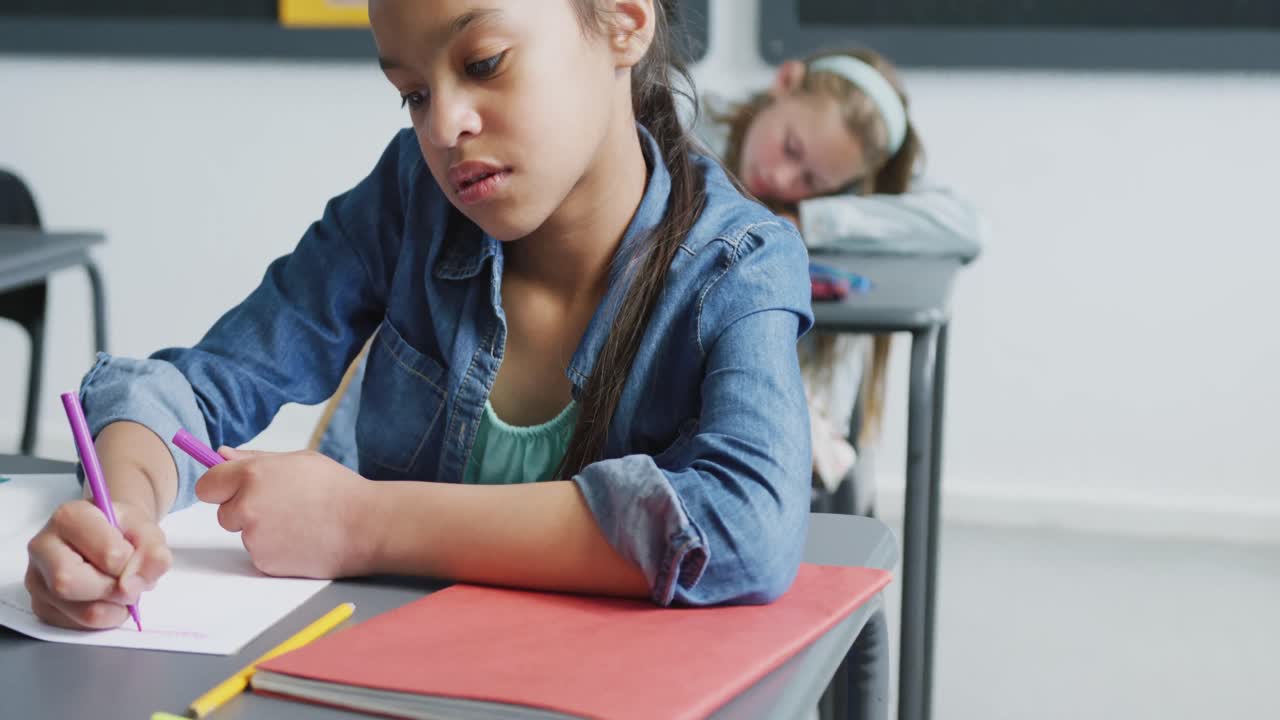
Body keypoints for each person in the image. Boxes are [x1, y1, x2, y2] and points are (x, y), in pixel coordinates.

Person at [24, 0, 815, 631]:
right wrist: (123, 511)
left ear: (624, 20)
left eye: (484, 63)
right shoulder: (412, 200)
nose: (443, 127)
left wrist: (368, 525)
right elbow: (191, 389)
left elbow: (746, 528)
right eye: (413, 93)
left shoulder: (739, 264)